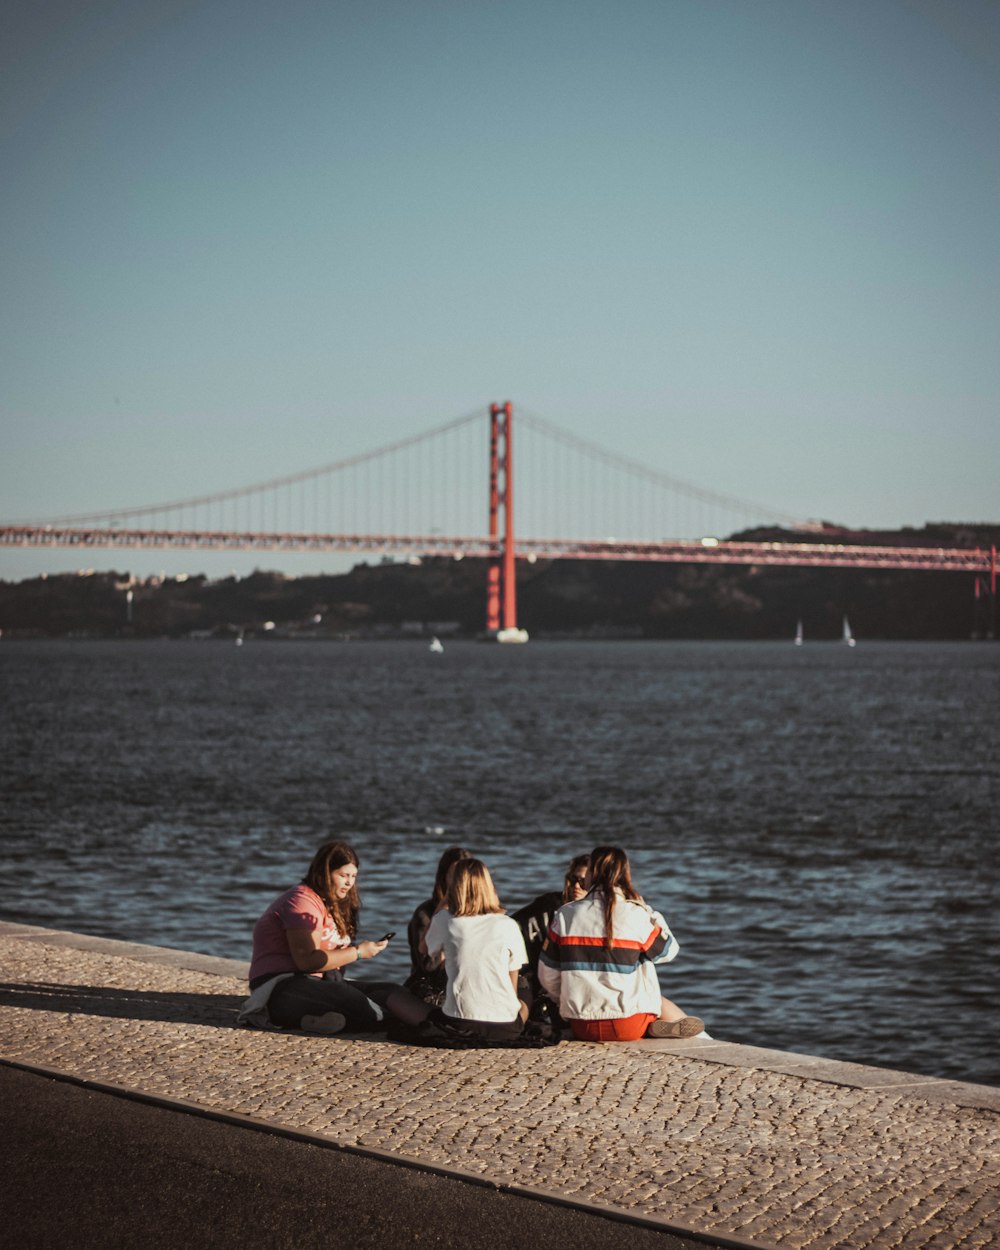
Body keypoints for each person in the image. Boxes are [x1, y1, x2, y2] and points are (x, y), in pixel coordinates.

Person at [240, 839, 431, 1035]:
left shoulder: (336, 903)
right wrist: (358, 952)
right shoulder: (301, 902)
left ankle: (438, 1024)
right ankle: (394, 1023)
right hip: (280, 987)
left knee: (392, 992)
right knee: (354, 1001)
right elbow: (307, 961)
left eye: (354, 876)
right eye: (343, 875)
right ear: (324, 873)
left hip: (320, 983)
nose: (349, 883)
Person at [538, 845, 704, 1042]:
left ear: (592, 873)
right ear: (624, 874)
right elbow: (668, 952)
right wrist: (648, 911)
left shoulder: (565, 914)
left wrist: (564, 999)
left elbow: (547, 975)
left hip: (582, 1025)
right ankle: (652, 1028)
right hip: (628, 1026)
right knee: (643, 961)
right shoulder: (636, 914)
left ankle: (651, 1027)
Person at [424, 858, 529, 1042]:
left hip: (459, 1023)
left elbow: (424, 949)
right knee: (526, 990)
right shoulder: (508, 924)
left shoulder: (445, 920)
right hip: (505, 1027)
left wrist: (443, 902)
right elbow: (513, 975)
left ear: (454, 887)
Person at [511, 854, 590, 1000]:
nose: (577, 886)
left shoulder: (600, 917)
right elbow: (511, 924)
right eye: (573, 880)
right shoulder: (549, 904)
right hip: (538, 982)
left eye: (583, 881)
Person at [404, 845, 472, 1005]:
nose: (460, 881)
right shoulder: (425, 914)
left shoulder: (479, 915)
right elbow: (429, 965)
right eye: (454, 874)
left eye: (464, 874)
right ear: (444, 877)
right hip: (428, 987)